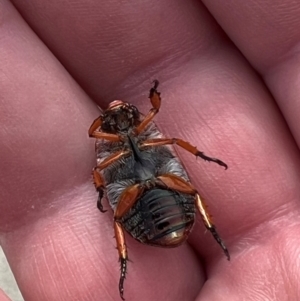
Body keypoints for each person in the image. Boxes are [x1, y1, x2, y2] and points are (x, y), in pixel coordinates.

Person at [1, 0, 299, 300]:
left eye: (124, 112)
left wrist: (158, 108)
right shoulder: (107, 142)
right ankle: (124, 264)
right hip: (146, 196)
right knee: (145, 203)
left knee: (180, 188)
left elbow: (162, 132)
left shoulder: (145, 131)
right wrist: (101, 188)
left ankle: (213, 231)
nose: (118, 113)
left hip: (149, 195)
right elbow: (99, 156)